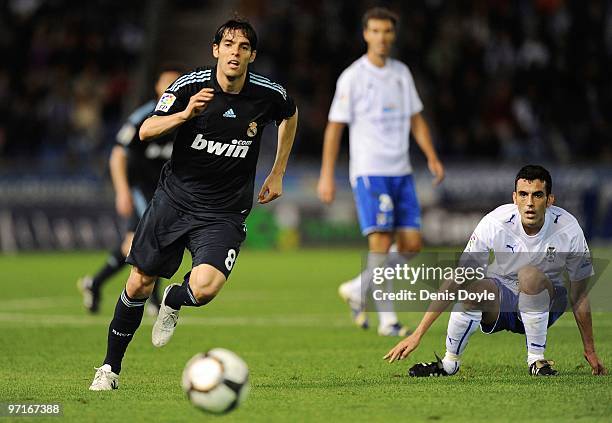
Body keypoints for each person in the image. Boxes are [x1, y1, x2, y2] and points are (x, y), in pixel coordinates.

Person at [89, 18, 298, 390]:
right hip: (175, 201)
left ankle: (174, 297)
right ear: (216, 50)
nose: (235, 52)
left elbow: (290, 113)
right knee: (138, 283)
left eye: (243, 47)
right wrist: (185, 115)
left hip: (224, 211)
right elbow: (145, 129)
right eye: (229, 45)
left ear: (252, 55)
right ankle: (109, 369)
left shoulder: (268, 94)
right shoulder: (189, 85)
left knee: (205, 288)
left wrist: (278, 170)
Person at [384, 165, 607, 376]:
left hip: (547, 300)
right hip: (504, 298)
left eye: (537, 195)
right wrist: (418, 333)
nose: (529, 202)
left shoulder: (568, 228)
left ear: (549, 200)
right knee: (472, 290)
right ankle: (449, 363)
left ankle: (536, 360)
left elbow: (579, 294)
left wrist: (590, 349)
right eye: (523, 194)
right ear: (514, 198)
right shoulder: (495, 222)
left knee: (529, 275)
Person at [317, 7, 445, 336]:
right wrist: (326, 174)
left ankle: (360, 288)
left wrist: (431, 155)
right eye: (375, 31)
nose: (381, 37)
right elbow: (334, 128)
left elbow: (416, 119)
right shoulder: (353, 76)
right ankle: (388, 321)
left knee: (411, 245)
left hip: (401, 170)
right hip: (370, 170)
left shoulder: (401, 73)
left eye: (387, 31)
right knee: (381, 242)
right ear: (365, 34)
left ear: (393, 34)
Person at [78, 64, 184, 315]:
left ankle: (94, 283)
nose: (171, 86)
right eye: (166, 82)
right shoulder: (144, 117)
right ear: (157, 88)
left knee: (130, 245)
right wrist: (123, 190)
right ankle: (155, 300)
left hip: (166, 190)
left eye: (176, 82)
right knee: (154, 237)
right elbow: (117, 154)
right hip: (141, 187)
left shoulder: (187, 117)